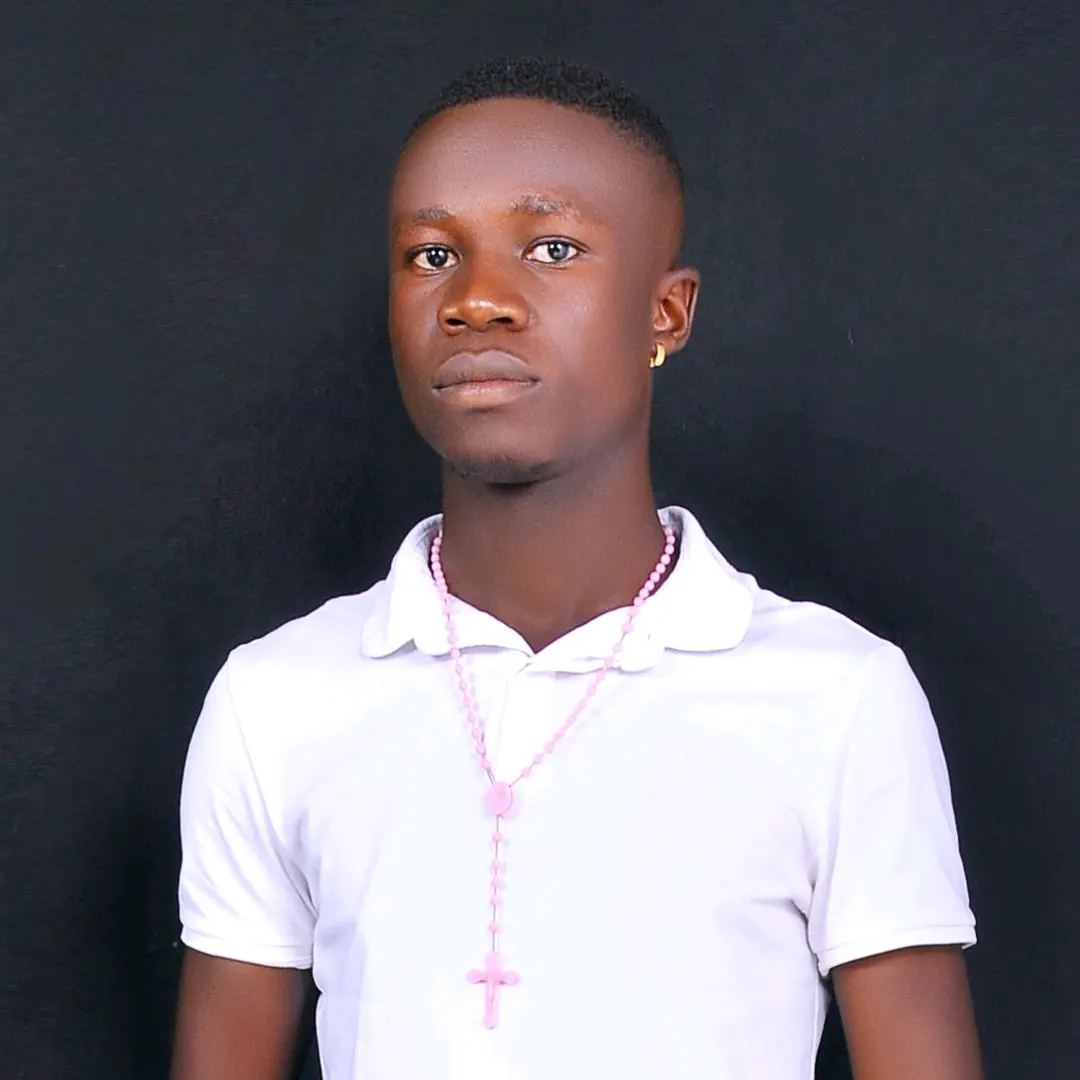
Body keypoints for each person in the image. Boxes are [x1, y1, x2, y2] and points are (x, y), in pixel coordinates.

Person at [171, 57, 983, 1080]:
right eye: (431, 255)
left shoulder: (838, 698)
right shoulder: (277, 699)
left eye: (552, 248)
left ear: (666, 315)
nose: (476, 300)